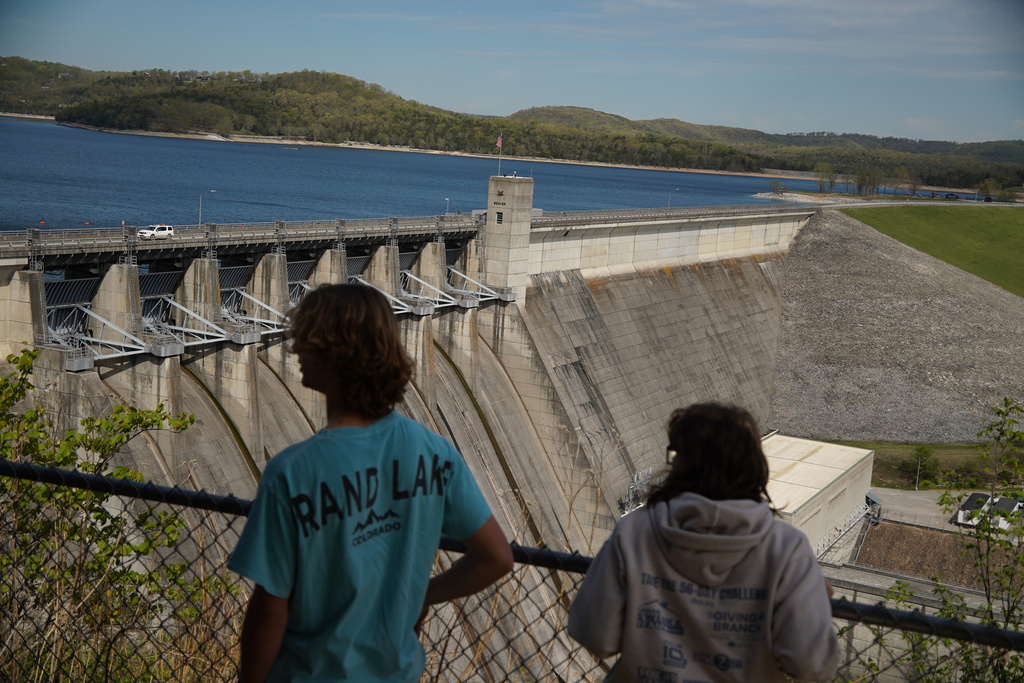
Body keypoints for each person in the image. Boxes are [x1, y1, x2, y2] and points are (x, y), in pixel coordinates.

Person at [228, 283, 513, 683]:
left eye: (307, 339)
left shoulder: (293, 472)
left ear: (334, 352)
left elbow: (271, 608)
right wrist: (421, 596)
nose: (295, 350)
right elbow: (496, 558)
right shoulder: (433, 452)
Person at [568, 402, 839, 682]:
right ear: (754, 465)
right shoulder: (785, 547)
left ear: (678, 462)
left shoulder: (636, 530)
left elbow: (594, 635)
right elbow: (813, 666)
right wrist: (813, 599)